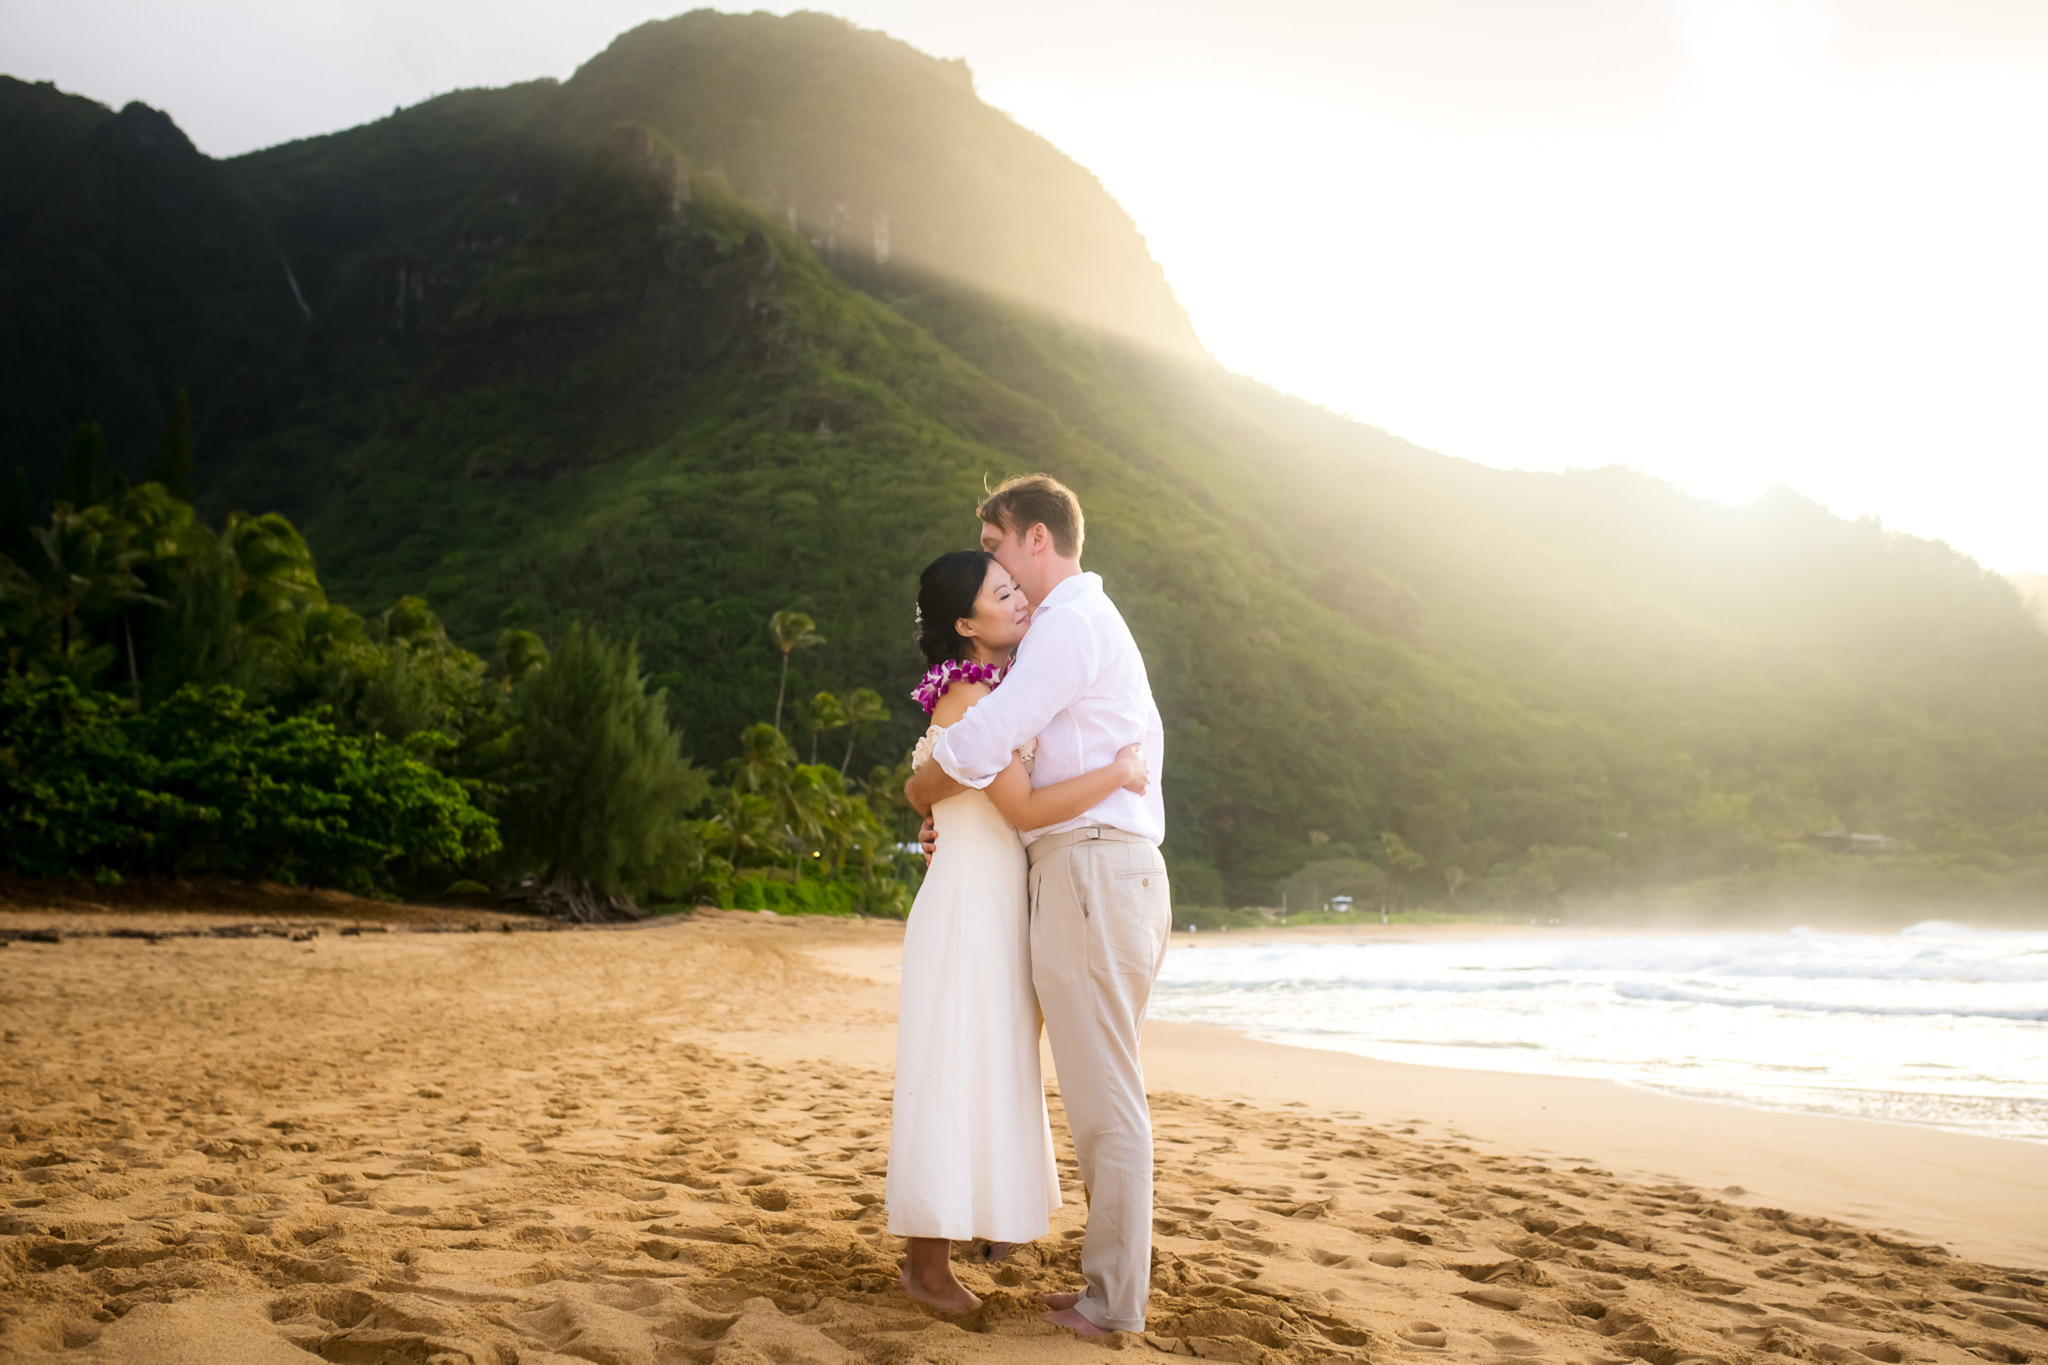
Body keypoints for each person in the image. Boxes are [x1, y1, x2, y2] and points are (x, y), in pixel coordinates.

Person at [905, 475, 1171, 1338]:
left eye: (995, 546)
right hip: (1079, 874)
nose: (1000, 568)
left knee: (1104, 1097)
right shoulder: (1083, 625)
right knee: (1092, 1090)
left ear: (1037, 539)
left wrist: (925, 788)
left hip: (1094, 872)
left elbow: (981, 743)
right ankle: (1103, 1285)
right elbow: (999, 774)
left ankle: (1112, 1298)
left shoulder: (1067, 626)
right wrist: (942, 814)